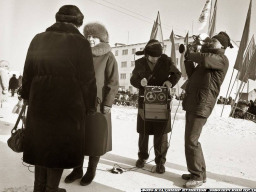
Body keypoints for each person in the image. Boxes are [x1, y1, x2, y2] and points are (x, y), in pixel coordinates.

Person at [20, 5, 97, 192]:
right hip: (68, 105)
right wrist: (90, 106)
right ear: (78, 21)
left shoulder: (38, 39)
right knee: (58, 146)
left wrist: (26, 97)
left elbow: (28, 72)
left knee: (41, 144)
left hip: (40, 102)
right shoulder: (80, 43)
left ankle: (39, 188)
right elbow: (88, 79)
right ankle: (51, 188)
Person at [64, 22, 119, 186]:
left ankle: (91, 170)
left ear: (101, 38)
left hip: (98, 104)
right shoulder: (79, 54)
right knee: (77, 138)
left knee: (95, 139)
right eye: (88, 36)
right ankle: (77, 169)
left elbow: (113, 82)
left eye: (94, 36)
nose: (90, 39)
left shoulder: (108, 56)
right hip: (77, 103)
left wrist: (108, 103)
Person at [181, 31, 233, 188]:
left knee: (191, 141)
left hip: (202, 104)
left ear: (222, 46)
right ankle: (199, 173)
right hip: (194, 102)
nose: (211, 42)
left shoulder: (221, 59)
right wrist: (187, 57)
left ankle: (197, 176)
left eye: (215, 41)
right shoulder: (208, 60)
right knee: (192, 141)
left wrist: (192, 52)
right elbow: (191, 73)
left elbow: (203, 57)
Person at [130, 39, 181, 173]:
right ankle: (142, 157)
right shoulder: (139, 63)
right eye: (153, 57)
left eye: (158, 56)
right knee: (143, 132)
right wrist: (140, 82)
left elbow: (177, 74)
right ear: (147, 55)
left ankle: (160, 161)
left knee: (161, 133)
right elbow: (132, 79)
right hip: (144, 102)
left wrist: (170, 82)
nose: (156, 59)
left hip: (161, 102)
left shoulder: (166, 60)